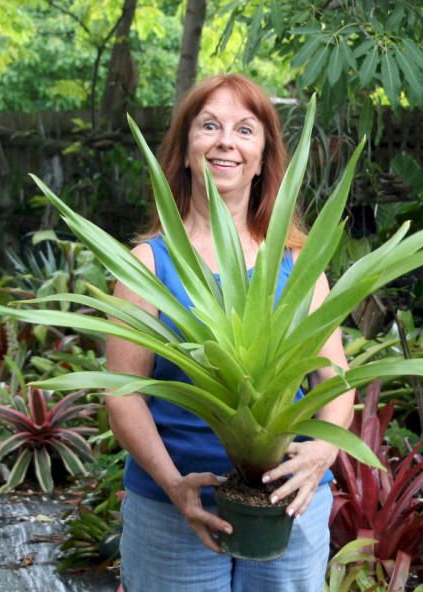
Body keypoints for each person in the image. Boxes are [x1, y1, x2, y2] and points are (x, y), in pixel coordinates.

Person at [105, 73, 355, 592]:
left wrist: (321, 455)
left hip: (289, 501)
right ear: (186, 149)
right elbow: (122, 395)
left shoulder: (298, 262)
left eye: (245, 130)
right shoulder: (146, 265)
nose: (225, 141)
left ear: (263, 158)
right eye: (209, 126)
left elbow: (336, 381)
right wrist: (174, 485)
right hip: (173, 504)